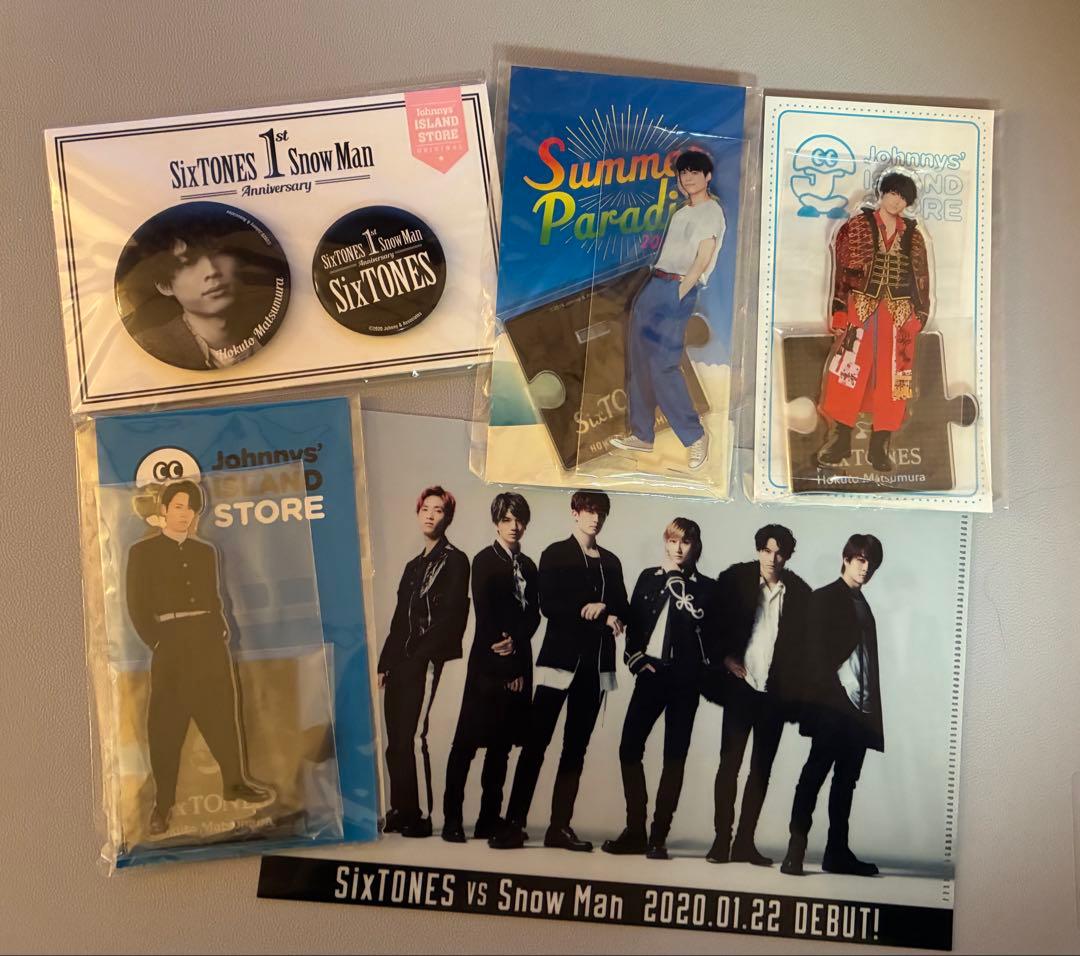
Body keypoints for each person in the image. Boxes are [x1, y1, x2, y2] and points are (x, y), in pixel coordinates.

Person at [125, 480, 270, 836]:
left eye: (190, 508)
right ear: (164, 510)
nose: (185, 514)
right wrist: (157, 641)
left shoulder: (206, 552)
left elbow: (213, 595)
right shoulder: (142, 553)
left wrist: (220, 630)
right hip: (170, 643)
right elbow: (135, 604)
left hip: (209, 642)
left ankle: (234, 782)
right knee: (166, 726)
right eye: (178, 506)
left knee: (222, 714)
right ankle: (163, 804)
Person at [490, 490, 629, 852]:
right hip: (558, 662)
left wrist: (606, 609)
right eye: (588, 511)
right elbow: (550, 605)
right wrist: (594, 611)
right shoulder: (555, 553)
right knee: (536, 744)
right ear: (575, 513)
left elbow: (624, 608)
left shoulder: (611, 561)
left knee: (575, 749)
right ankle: (514, 823)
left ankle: (559, 827)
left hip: (595, 667)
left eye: (600, 513)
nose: (594, 518)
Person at [601, 518, 717, 860]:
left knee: (674, 757)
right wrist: (635, 659)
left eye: (686, 542)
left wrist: (680, 585)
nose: (678, 548)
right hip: (651, 674)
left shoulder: (706, 589)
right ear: (665, 542)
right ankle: (635, 831)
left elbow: (710, 636)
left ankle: (658, 837)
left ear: (696, 547)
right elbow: (634, 622)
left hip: (685, 681)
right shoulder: (648, 578)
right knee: (629, 748)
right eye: (673, 541)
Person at [610, 149, 726, 471]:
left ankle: (695, 436)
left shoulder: (711, 211)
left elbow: (703, 257)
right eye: (683, 173)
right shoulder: (681, 213)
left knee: (663, 365)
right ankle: (642, 434)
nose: (688, 178)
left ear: (707, 176)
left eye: (694, 172)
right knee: (638, 362)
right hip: (655, 284)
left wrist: (679, 292)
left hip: (676, 288)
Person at [781, 534, 885, 878]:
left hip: (860, 707)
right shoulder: (824, 597)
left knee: (846, 781)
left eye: (871, 563)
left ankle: (836, 853)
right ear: (846, 559)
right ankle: (795, 851)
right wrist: (828, 697)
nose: (866, 568)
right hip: (833, 704)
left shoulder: (863, 603)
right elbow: (812, 655)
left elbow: (865, 657)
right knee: (814, 774)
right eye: (861, 560)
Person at [708, 525, 811, 865]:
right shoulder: (735, 580)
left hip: (774, 696)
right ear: (758, 550)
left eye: (779, 552)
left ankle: (744, 843)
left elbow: (805, 650)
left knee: (761, 770)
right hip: (741, 689)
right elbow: (710, 625)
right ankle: (721, 841)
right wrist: (725, 658)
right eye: (767, 550)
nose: (772, 558)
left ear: (788, 556)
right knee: (729, 765)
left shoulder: (799, 593)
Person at [816, 171, 931, 472]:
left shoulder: (914, 237)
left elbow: (921, 278)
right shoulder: (855, 227)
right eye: (893, 193)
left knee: (895, 380)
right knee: (848, 372)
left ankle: (880, 445)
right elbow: (843, 272)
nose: (896, 201)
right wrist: (839, 310)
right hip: (861, 308)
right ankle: (840, 439)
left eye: (903, 198)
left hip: (899, 316)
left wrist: (920, 315)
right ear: (883, 193)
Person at [442, 493, 541, 843]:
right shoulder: (484, 560)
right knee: (466, 743)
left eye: (519, 520)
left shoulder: (529, 565)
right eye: (507, 519)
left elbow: (533, 615)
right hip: (488, 661)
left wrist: (517, 650)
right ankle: (452, 819)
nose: (514, 526)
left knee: (502, 745)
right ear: (496, 522)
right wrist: (505, 662)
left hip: (519, 661)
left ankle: (489, 818)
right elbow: (485, 614)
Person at [378, 486, 470, 839]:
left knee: (415, 737)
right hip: (400, 661)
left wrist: (424, 656)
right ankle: (402, 808)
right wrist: (385, 663)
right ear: (418, 514)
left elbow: (453, 617)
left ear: (448, 517)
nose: (430, 515)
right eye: (425, 509)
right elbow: (399, 618)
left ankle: (422, 816)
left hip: (426, 658)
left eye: (438, 510)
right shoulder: (412, 566)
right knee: (395, 739)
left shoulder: (455, 560)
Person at [118, 205, 281, 370]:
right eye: (188, 262)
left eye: (219, 253)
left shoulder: (276, 322)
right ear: (164, 286)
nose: (211, 271)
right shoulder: (150, 347)